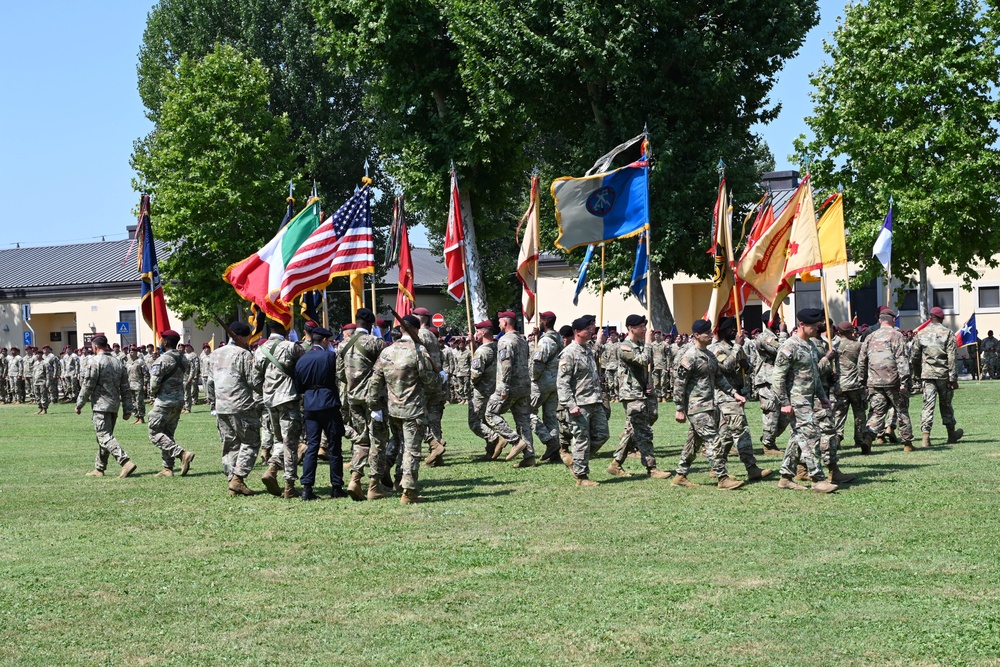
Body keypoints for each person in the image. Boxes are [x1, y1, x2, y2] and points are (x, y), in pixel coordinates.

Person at [369, 314, 436, 504]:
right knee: (411, 450)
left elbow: (375, 381)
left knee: (401, 446)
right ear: (416, 330)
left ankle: (397, 481)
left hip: (392, 409)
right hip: (413, 409)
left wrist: (374, 405)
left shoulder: (387, 351)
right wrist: (441, 377)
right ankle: (408, 491)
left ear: (400, 330)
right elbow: (430, 382)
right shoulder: (418, 351)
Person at [672, 319, 746, 490]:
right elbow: (679, 384)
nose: (711, 335)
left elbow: (719, 378)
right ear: (697, 335)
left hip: (709, 405)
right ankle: (722, 478)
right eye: (706, 333)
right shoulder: (690, 356)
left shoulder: (710, 355)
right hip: (696, 407)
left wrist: (734, 393)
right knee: (713, 440)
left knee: (693, 443)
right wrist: (679, 408)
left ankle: (680, 475)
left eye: (711, 332)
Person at [772, 308, 838, 493]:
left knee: (798, 437)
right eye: (814, 326)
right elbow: (777, 377)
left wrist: (822, 397)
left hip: (808, 398)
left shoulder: (810, 346)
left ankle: (785, 478)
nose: (818, 329)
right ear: (801, 324)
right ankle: (818, 479)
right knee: (812, 436)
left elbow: (814, 374)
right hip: (796, 400)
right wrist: (784, 402)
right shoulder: (789, 346)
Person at [608, 314, 673, 479]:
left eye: (644, 326)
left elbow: (644, 369)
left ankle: (616, 463)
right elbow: (643, 361)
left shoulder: (640, 345)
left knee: (636, 427)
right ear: (631, 328)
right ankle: (652, 468)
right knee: (643, 430)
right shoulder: (624, 347)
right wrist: (649, 343)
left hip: (642, 391)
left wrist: (647, 383)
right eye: (641, 327)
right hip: (631, 394)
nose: (644, 329)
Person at [709, 317, 773, 482]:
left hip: (737, 394)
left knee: (726, 435)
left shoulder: (734, 348)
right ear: (722, 331)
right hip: (725, 396)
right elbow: (726, 366)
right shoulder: (716, 349)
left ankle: (716, 467)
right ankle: (752, 468)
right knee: (741, 431)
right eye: (731, 328)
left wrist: (746, 365)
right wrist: (738, 346)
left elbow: (748, 368)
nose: (735, 331)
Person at [338, 308, 390, 501]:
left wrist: (354, 384)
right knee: (378, 440)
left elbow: (340, 373)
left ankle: (355, 479)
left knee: (361, 439)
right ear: (370, 324)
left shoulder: (343, 344)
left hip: (353, 398)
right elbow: (385, 369)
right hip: (373, 399)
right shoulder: (376, 343)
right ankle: (374, 485)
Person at [209, 322, 265, 496]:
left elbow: (210, 382)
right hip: (241, 405)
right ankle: (238, 478)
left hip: (221, 406)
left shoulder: (215, 354)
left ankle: (232, 481)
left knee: (230, 444)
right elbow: (253, 381)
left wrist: (213, 402)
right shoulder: (243, 354)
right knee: (251, 441)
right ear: (241, 337)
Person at [294, 325, 348, 501]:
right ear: (324, 340)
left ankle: (307, 488)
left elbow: (298, 386)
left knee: (312, 446)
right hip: (329, 403)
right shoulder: (330, 356)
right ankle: (336, 486)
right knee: (334, 447)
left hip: (310, 404)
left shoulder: (302, 359)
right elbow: (340, 377)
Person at [255, 322, 305, 498]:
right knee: (290, 443)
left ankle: (272, 469)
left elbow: (255, 380)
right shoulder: (292, 347)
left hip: (270, 401)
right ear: (284, 329)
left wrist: (267, 391)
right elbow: (303, 371)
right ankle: (289, 485)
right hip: (289, 399)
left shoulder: (260, 350)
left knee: (278, 440)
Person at [557, 315, 609, 486]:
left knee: (602, 435)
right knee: (581, 439)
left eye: (592, 327)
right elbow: (562, 383)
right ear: (577, 332)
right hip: (579, 404)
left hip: (594, 400)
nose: (591, 330)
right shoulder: (569, 353)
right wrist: (570, 405)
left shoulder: (587, 350)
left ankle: (577, 460)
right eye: (588, 328)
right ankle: (581, 477)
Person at [76, 335, 136, 478]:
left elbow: (88, 385)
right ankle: (99, 468)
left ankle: (125, 462)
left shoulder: (94, 361)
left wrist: (79, 404)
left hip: (100, 406)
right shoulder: (118, 362)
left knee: (104, 436)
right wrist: (127, 408)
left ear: (95, 346)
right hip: (114, 406)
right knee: (104, 437)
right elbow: (125, 388)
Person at [859, 309, 915, 451]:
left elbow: (862, 360)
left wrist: (862, 380)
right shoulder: (897, 336)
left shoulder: (870, 337)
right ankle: (907, 443)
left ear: (879, 320)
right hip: (893, 381)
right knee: (901, 410)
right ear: (893, 320)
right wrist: (904, 381)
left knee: (876, 412)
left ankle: (868, 437)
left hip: (874, 381)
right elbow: (901, 359)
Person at [486, 311, 535, 467]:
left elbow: (506, 365)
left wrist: (505, 387)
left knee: (490, 413)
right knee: (523, 421)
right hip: (524, 386)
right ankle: (529, 456)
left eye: (500, 321)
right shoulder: (522, 340)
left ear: (506, 323)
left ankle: (515, 441)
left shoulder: (505, 340)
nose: (498, 324)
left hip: (510, 386)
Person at [910, 306, 963, 446]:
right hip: (943, 375)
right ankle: (951, 434)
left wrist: (917, 375)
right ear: (942, 319)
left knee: (928, 405)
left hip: (927, 375)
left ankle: (925, 437)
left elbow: (914, 357)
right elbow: (952, 358)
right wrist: (953, 378)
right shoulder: (948, 333)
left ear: (930, 318)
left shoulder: (921, 333)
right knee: (946, 405)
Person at [148, 330, 196, 477]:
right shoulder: (183, 359)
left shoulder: (162, 360)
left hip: (164, 401)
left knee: (154, 433)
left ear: (166, 342)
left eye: (162, 339)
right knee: (167, 434)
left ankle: (182, 454)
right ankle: (168, 468)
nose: (160, 341)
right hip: (179, 400)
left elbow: (154, 383)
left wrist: (153, 394)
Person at [753, 319, 790, 455]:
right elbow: (782, 351)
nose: (780, 321)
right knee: (772, 412)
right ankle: (768, 445)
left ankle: (768, 438)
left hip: (779, 380)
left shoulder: (775, 336)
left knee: (786, 415)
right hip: (767, 380)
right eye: (777, 319)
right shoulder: (765, 337)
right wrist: (784, 333)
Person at [530, 311, 563, 462]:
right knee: (551, 417)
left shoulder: (545, 342)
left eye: (540, 320)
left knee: (527, 413)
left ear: (544, 322)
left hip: (542, 383)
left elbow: (538, 363)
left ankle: (549, 441)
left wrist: (533, 378)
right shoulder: (558, 338)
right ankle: (555, 451)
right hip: (555, 382)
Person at [468, 320, 503, 457]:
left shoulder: (481, 351)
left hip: (481, 390)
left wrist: (472, 380)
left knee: (474, 422)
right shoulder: (496, 347)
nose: (475, 334)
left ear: (483, 332)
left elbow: (476, 374)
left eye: (477, 331)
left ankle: (495, 438)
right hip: (494, 389)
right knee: (486, 419)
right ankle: (491, 450)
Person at [832, 322, 867, 451]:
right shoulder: (858, 345)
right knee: (859, 413)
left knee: (839, 414)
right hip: (855, 384)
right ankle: (860, 439)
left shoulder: (833, 346)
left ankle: (837, 437)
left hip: (840, 385)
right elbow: (863, 363)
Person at [126, 346, 149, 424]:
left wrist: (145, 384)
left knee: (139, 402)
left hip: (138, 385)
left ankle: (141, 418)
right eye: (130, 351)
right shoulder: (128, 362)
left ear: (136, 353)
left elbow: (146, 374)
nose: (131, 353)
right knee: (133, 402)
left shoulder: (141, 362)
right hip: (130, 385)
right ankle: (136, 417)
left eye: (132, 351)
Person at [31, 348, 50, 414]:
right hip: (36, 382)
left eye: (38, 354)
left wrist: (48, 382)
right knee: (37, 396)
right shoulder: (35, 363)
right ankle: (40, 408)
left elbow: (48, 373)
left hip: (42, 382)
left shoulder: (45, 363)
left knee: (43, 395)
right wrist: (33, 381)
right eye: (36, 354)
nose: (37, 355)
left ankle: (45, 409)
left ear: (41, 354)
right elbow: (33, 373)